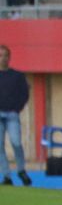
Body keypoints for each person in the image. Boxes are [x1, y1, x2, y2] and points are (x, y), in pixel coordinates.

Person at [0, 45, 31, 186]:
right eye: (0, 55)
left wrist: (17, 108)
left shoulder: (17, 76)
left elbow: (24, 93)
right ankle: (6, 176)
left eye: (5, 55)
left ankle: (21, 170)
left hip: (12, 114)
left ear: (9, 57)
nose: (3, 58)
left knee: (16, 142)